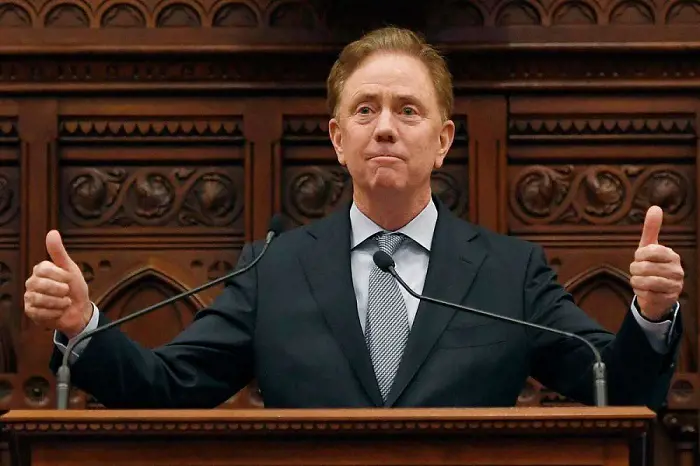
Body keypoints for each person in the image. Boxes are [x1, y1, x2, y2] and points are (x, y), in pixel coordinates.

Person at [24, 27, 683, 410]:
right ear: (338, 140)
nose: (386, 129)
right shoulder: (274, 267)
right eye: (366, 111)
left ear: (445, 139)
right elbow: (167, 389)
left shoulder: (510, 273)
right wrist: (84, 326)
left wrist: (649, 317)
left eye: (407, 110)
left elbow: (615, 390)